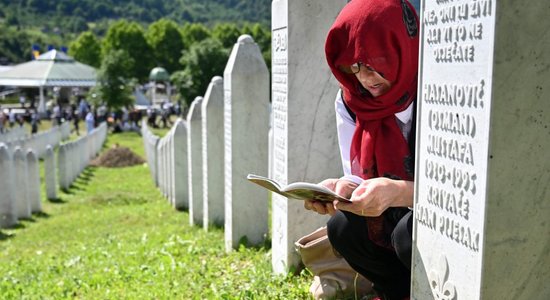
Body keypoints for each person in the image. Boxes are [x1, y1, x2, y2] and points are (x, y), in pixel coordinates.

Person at [304, 1, 419, 299]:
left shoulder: (435, 90)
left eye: (373, 62)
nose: (364, 79)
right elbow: (356, 176)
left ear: (399, 46)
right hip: (391, 207)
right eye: (353, 67)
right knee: (343, 228)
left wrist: (399, 191)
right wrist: (341, 188)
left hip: (432, 210)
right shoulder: (351, 101)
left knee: (410, 234)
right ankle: (397, 292)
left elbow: (459, 195)